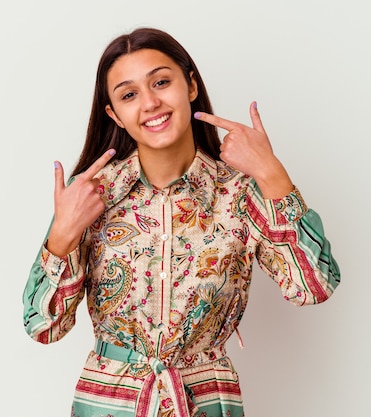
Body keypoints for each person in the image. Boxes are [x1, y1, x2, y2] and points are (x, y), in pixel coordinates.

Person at [22, 27, 340, 417]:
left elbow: (313, 287)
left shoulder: (239, 193)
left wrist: (272, 174)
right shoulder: (91, 194)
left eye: (161, 82)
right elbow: (43, 326)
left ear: (190, 86)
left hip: (207, 402)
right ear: (114, 115)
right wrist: (62, 235)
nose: (151, 102)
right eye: (129, 94)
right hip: (109, 403)